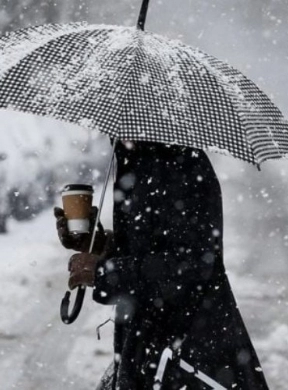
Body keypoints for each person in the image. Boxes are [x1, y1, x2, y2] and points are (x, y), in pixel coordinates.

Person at [54, 140, 269, 389]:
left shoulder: (179, 165)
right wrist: (98, 243)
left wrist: (105, 273)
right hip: (151, 347)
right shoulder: (139, 158)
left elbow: (192, 265)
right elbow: (150, 245)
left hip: (185, 350)